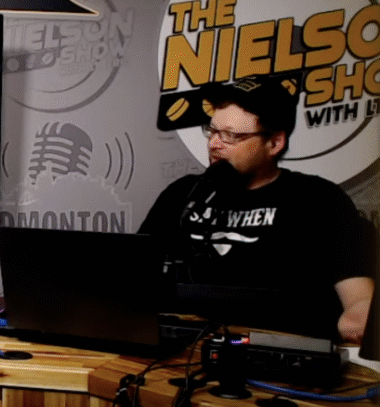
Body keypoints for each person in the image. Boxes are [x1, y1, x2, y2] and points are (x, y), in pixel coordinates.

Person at [139, 76, 374, 343]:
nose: (214, 144)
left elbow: (359, 301)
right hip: (181, 349)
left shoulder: (319, 200)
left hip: (274, 350)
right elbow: (130, 276)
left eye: (231, 136)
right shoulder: (182, 194)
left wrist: (356, 325)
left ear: (274, 143)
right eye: (212, 131)